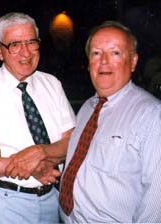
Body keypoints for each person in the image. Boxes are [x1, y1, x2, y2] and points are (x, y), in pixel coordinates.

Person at [0, 12, 75, 223]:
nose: (26, 52)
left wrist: (41, 153)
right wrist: (29, 167)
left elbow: (72, 141)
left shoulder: (52, 85)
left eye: (31, 42)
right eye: (15, 45)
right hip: (8, 201)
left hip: (54, 197)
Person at [59, 21, 161, 222]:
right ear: (88, 62)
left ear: (133, 61)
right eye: (96, 53)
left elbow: (156, 200)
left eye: (115, 53)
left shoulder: (151, 114)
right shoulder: (87, 108)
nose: (104, 61)